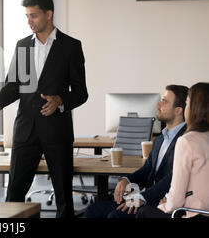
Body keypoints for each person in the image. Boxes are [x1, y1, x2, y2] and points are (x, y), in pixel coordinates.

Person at [0, 0, 88, 218]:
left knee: (64, 197)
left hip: (57, 130)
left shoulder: (70, 47)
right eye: (27, 16)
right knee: (14, 193)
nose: (29, 21)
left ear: (49, 14)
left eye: (34, 16)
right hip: (25, 130)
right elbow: (14, 87)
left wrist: (60, 100)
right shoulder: (22, 46)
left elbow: (81, 93)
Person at [84, 85, 189, 218]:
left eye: (165, 101)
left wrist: (142, 198)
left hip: (163, 202)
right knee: (92, 210)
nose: (158, 104)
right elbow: (147, 170)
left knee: (115, 216)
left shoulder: (186, 140)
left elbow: (173, 179)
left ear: (178, 110)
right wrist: (126, 180)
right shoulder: (160, 139)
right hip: (147, 197)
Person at [137, 82, 209, 218]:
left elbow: (176, 201)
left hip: (193, 214)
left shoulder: (186, 141)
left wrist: (163, 205)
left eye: (187, 103)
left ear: (195, 108)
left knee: (144, 212)